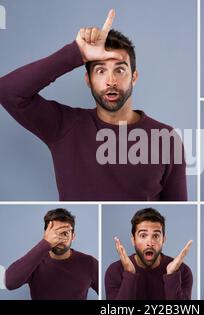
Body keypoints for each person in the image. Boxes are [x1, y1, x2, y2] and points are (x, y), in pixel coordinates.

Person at [0, 9, 187, 201]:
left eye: (120, 70)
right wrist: (76, 52)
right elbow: (7, 91)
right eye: (100, 71)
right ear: (88, 80)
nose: (111, 80)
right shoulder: (62, 126)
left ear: (134, 77)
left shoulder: (167, 139)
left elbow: (177, 205)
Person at [5, 208, 98, 300]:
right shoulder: (34, 262)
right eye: (55, 233)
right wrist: (45, 243)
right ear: (46, 235)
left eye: (65, 233)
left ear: (73, 237)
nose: (59, 239)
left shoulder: (90, 263)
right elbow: (9, 282)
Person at [104, 207, 193, 300]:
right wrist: (129, 274)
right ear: (133, 240)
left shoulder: (183, 272)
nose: (150, 243)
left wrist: (172, 276)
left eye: (155, 236)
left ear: (163, 239)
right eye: (143, 235)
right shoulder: (114, 271)